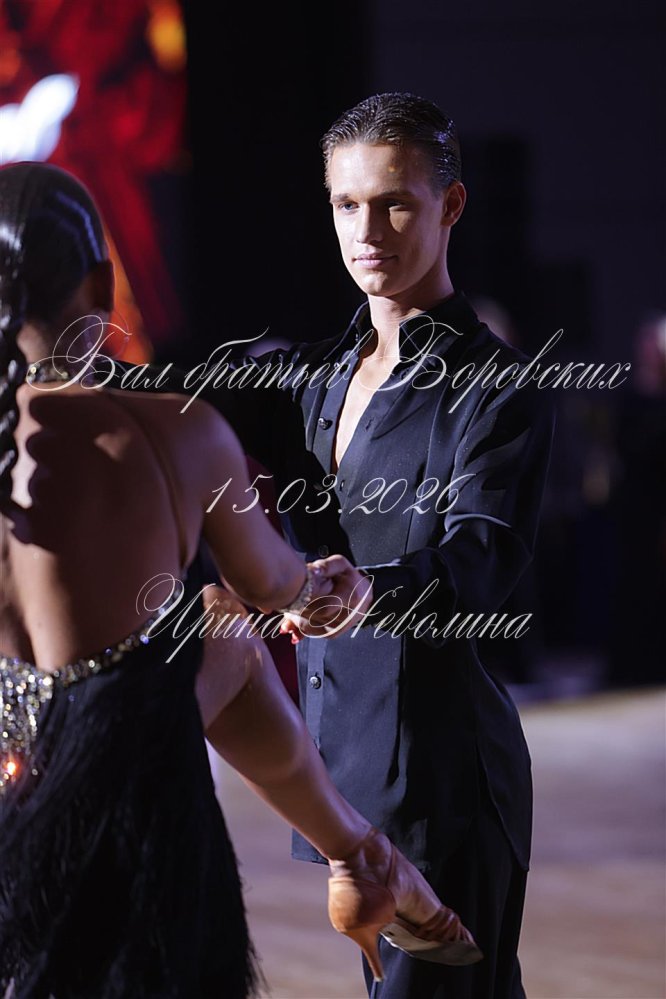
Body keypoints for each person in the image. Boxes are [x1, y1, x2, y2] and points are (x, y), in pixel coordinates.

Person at [0, 162, 480, 998]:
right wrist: (329, 583)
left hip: (14, 800)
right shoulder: (166, 432)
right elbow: (274, 586)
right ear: (102, 284)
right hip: (122, 822)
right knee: (217, 626)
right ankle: (363, 857)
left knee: (208, 628)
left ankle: (361, 857)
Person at [170, 93, 554, 998]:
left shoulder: (498, 388)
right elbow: (170, 396)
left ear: (450, 205)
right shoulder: (315, 373)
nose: (367, 231)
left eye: (394, 204)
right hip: (346, 773)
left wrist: (369, 587)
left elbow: (482, 562)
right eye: (347, 204)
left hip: (448, 782)